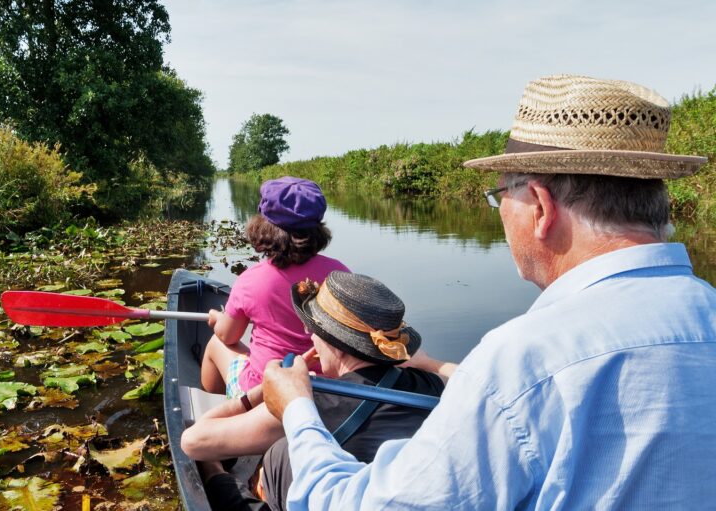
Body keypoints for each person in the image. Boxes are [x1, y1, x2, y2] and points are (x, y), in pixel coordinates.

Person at [262, 74, 716, 509]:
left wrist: (298, 411)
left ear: (540, 207)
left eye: (500, 196)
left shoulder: (523, 361)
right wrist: (447, 369)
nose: (500, 213)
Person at [184, 271, 444, 510]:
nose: (308, 331)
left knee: (212, 466)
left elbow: (194, 441)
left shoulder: (314, 404)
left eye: (315, 327)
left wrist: (266, 391)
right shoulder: (434, 385)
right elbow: (467, 373)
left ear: (339, 345)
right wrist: (429, 363)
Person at [202, 176, 349, 397]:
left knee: (216, 343)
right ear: (318, 229)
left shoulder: (250, 280)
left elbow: (228, 336)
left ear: (264, 228)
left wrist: (217, 320)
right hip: (323, 389)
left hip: (266, 392)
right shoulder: (340, 273)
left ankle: (226, 405)